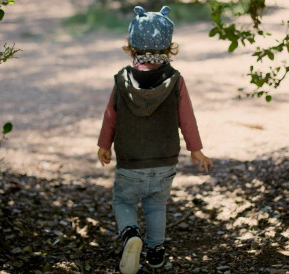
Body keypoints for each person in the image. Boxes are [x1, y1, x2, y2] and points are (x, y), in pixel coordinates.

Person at [97, 5, 213, 274]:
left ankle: (130, 235)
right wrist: (196, 150)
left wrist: (104, 144)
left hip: (130, 162)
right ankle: (156, 254)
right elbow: (187, 118)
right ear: (168, 46)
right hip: (164, 161)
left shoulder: (122, 80)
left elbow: (110, 116)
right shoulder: (175, 80)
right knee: (156, 206)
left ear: (131, 45)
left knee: (124, 201)